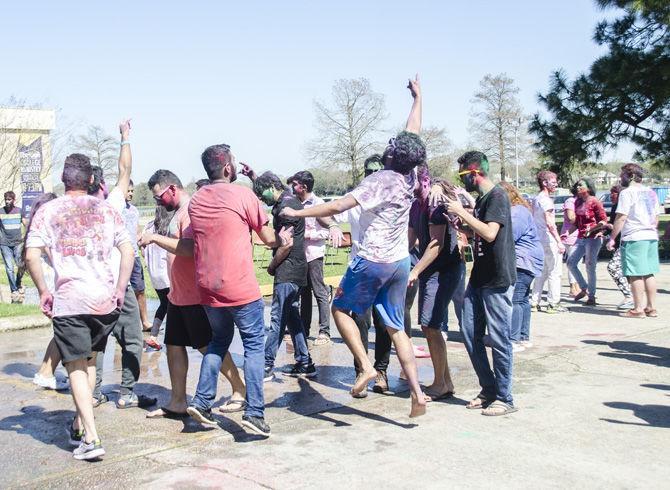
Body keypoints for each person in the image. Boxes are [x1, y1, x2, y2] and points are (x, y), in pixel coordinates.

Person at [280, 75, 427, 417]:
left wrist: (296, 210)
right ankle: (417, 395)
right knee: (395, 327)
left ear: (393, 154)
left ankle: (364, 366)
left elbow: (335, 208)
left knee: (339, 309)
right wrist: (418, 99)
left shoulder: (381, 180)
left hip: (372, 260)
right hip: (399, 262)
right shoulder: (411, 174)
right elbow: (414, 133)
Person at [24, 153, 134, 460]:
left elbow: (32, 255)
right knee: (86, 363)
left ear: (63, 180)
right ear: (91, 181)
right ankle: (79, 423)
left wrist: (44, 290)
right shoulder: (108, 209)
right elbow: (128, 251)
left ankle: (92, 438)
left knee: (74, 367)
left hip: (71, 301)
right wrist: (121, 287)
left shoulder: (48, 210)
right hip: (104, 302)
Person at [185, 144, 286, 436]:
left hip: (208, 288)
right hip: (240, 287)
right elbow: (268, 238)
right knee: (254, 345)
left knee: (218, 341)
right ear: (228, 168)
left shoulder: (197, 199)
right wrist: (283, 239)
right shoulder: (243, 194)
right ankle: (254, 413)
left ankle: (202, 402)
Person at [139, 169, 246, 419]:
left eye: (159, 197)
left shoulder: (191, 211)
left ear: (173, 189)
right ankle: (178, 401)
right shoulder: (176, 213)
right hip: (178, 293)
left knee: (206, 345)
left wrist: (154, 237)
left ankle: (240, 389)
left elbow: (191, 249)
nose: (158, 202)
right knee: (174, 345)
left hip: (196, 295)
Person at [444, 151, 517, 416]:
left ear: (475, 174)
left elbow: (490, 232)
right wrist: (463, 226)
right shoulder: (483, 199)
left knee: (499, 339)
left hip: (498, 277)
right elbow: (481, 231)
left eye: (463, 175)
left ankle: (505, 397)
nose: (461, 181)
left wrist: (462, 212)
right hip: (480, 277)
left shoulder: (497, 196)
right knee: (469, 331)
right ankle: (488, 389)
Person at [89, 121, 156, 409]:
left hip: (88, 289)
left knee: (95, 344)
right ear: (102, 185)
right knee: (131, 339)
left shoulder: (65, 211)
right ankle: (127, 392)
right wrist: (124, 137)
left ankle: (92, 393)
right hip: (117, 286)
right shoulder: (111, 204)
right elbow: (125, 170)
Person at [246, 168, 316, 380]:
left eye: (261, 194)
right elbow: (270, 185)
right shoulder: (287, 198)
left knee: (277, 318)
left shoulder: (285, 207)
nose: (260, 199)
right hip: (296, 268)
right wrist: (254, 177)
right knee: (292, 316)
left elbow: (286, 244)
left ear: (271, 188)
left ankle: (267, 365)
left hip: (287, 268)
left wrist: (272, 265)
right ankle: (305, 362)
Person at [335, 154, 394, 394]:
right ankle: (362, 369)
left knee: (384, 323)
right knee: (359, 321)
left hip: (388, 267)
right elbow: (329, 210)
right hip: (361, 267)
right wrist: (332, 225)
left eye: (377, 171)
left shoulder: (393, 196)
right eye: (369, 172)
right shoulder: (356, 197)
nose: (373, 176)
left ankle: (381, 371)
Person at [407, 166, 464, 400]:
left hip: (445, 270)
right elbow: (410, 239)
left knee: (431, 325)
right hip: (430, 270)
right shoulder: (415, 204)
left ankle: (440, 383)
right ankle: (445, 381)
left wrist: (414, 271)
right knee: (429, 326)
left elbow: (435, 244)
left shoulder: (434, 203)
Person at [290, 170, 340, 345]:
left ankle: (324, 332)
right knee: (303, 293)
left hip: (314, 255)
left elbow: (327, 230)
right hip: (298, 256)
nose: (292, 187)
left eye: (294, 184)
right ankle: (303, 329)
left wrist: (306, 234)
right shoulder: (295, 203)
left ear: (303, 187)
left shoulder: (319, 204)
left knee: (319, 292)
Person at [27, 193, 71, 391]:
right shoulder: (46, 228)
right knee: (65, 332)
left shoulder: (38, 226)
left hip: (50, 280)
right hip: (54, 281)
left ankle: (44, 371)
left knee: (61, 331)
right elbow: (56, 258)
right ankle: (46, 373)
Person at [607, 163, 661, 318]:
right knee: (649, 272)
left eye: (622, 174)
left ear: (630, 176)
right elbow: (656, 217)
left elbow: (621, 217)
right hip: (650, 236)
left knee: (635, 274)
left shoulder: (627, 193)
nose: (620, 178)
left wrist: (612, 238)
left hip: (634, 237)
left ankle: (638, 309)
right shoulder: (651, 192)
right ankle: (651, 308)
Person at [500, 182, 544, 351]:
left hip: (523, 261)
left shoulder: (516, 213)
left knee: (516, 299)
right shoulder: (520, 210)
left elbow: (509, 237)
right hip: (529, 260)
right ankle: (523, 337)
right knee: (523, 299)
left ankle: (514, 339)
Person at [566, 177, 607, 306]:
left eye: (581, 185)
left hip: (593, 239)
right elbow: (577, 223)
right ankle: (584, 287)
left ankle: (592, 296)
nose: (578, 188)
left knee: (590, 266)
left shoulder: (594, 201)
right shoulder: (578, 202)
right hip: (581, 237)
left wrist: (593, 229)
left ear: (588, 188)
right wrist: (566, 234)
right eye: (577, 186)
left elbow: (603, 221)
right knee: (570, 263)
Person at [530, 171, 567, 313]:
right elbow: (551, 223)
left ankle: (534, 302)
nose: (556, 184)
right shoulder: (546, 200)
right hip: (548, 240)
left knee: (542, 271)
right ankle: (553, 303)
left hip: (539, 239)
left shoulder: (536, 198)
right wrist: (559, 241)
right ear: (544, 183)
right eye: (553, 181)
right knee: (555, 272)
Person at [142, 205, 174, 350]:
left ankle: (153, 336)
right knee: (173, 306)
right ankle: (173, 339)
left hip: (154, 274)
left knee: (164, 304)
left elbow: (141, 248)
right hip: (166, 273)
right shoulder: (169, 228)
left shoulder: (148, 226)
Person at [123, 180, 151, 331]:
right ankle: (123, 325)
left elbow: (136, 230)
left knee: (140, 289)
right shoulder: (114, 209)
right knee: (121, 291)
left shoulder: (133, 210)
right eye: (128, 190)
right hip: (120, 257)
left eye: (132, 191)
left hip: (134, 256)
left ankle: (145, 321)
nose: (131, 193)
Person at [605, 185, 634, 310]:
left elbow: (621, 223)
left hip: (628, 241)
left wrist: (611, 231)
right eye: (611, 193)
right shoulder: (614, 207)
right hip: (620, 243)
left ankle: (629, 296)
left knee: (613, 267)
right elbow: (612, 223)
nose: (611, 195)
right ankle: (634, 298)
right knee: (627, 271)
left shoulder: (622, 207)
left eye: (614, 193)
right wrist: (605, 230)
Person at [1, 191, 25, 303]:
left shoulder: (19, 211)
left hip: (18, 243)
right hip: (5, 244)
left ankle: (18, 282)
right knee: (9, 268)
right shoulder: (0, 212)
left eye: (9, 199)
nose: (7, 201)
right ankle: (14, 289)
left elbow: (26, 223)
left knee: (21, 265)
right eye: (6, 199)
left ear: (13, 200)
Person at [560, 186, 580, 297]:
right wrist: (584, 215)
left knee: (577, 263)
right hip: (570, 236)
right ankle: (572, 287)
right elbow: (571, 218)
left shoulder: (581, 201)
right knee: (573, 263)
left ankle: (577, 285)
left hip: (580, 236)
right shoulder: (570, 201)